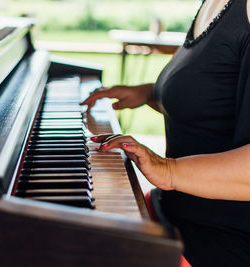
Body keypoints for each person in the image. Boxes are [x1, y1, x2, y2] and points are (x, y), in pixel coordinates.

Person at [80, 0, 250, 266]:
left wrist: (168, 170)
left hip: (219, 243)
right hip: (173, 214)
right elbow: (214, 98)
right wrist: (150, 93)